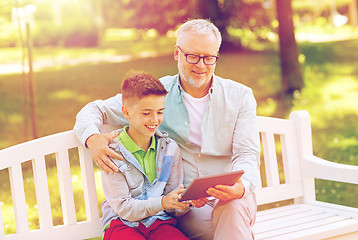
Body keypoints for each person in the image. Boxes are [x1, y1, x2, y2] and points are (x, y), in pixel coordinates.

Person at [74, 19, 260, 240]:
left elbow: (247, 153)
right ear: (176, 53)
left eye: (209, 58)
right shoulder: (156, 96)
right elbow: (94, 109)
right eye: (192, 56)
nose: (201, 66)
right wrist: (93, 139)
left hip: (232, 198)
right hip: (186, 207)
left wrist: (242, 186)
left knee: (232, 209)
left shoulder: (240, 96)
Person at [101, 71, 191, 240]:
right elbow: (125, 209)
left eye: (159, 112)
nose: (154, 120)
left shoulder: (170, 150)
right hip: (122, 224)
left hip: (159, 222)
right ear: (126, 112)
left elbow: (172, 204)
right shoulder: (111, 153)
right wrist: (162, 203)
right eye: (146, 113)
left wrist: (186, 203)